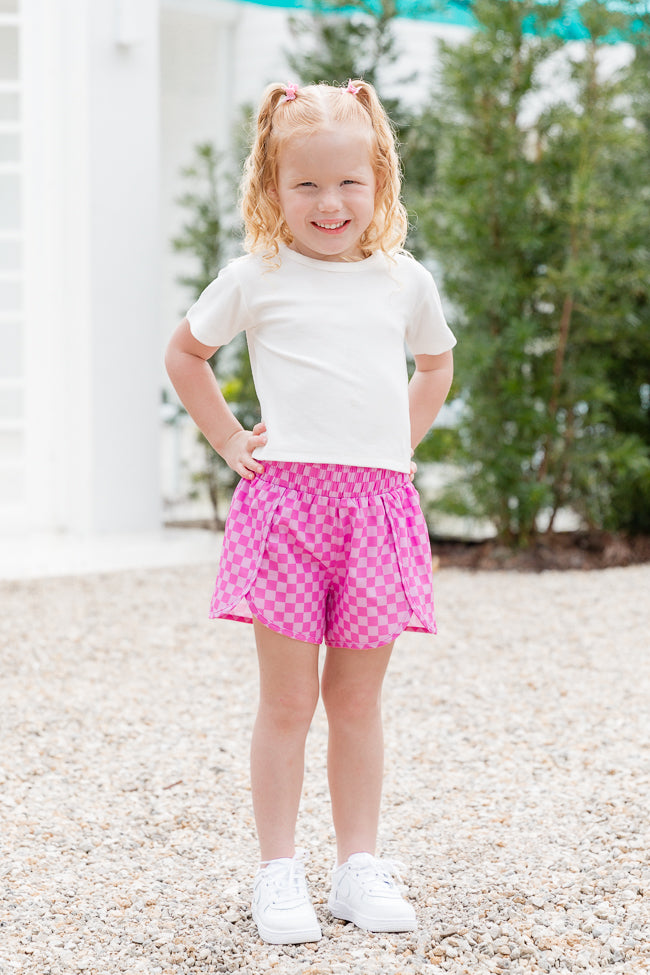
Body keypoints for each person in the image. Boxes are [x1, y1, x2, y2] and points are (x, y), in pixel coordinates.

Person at [165, 79, 456, 946]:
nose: (331, 204)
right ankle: (277, 869)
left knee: (358, 703)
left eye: (349, 183)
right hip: (287, 507)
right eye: (308, 185)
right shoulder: (255, 276)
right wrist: (228, 441)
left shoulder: (404, 281)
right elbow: (186, 354)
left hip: (376, 512)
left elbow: (434, 367)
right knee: (289, 701)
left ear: (379, 181)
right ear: (271, 186)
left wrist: (392, 447)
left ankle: (357, 866)